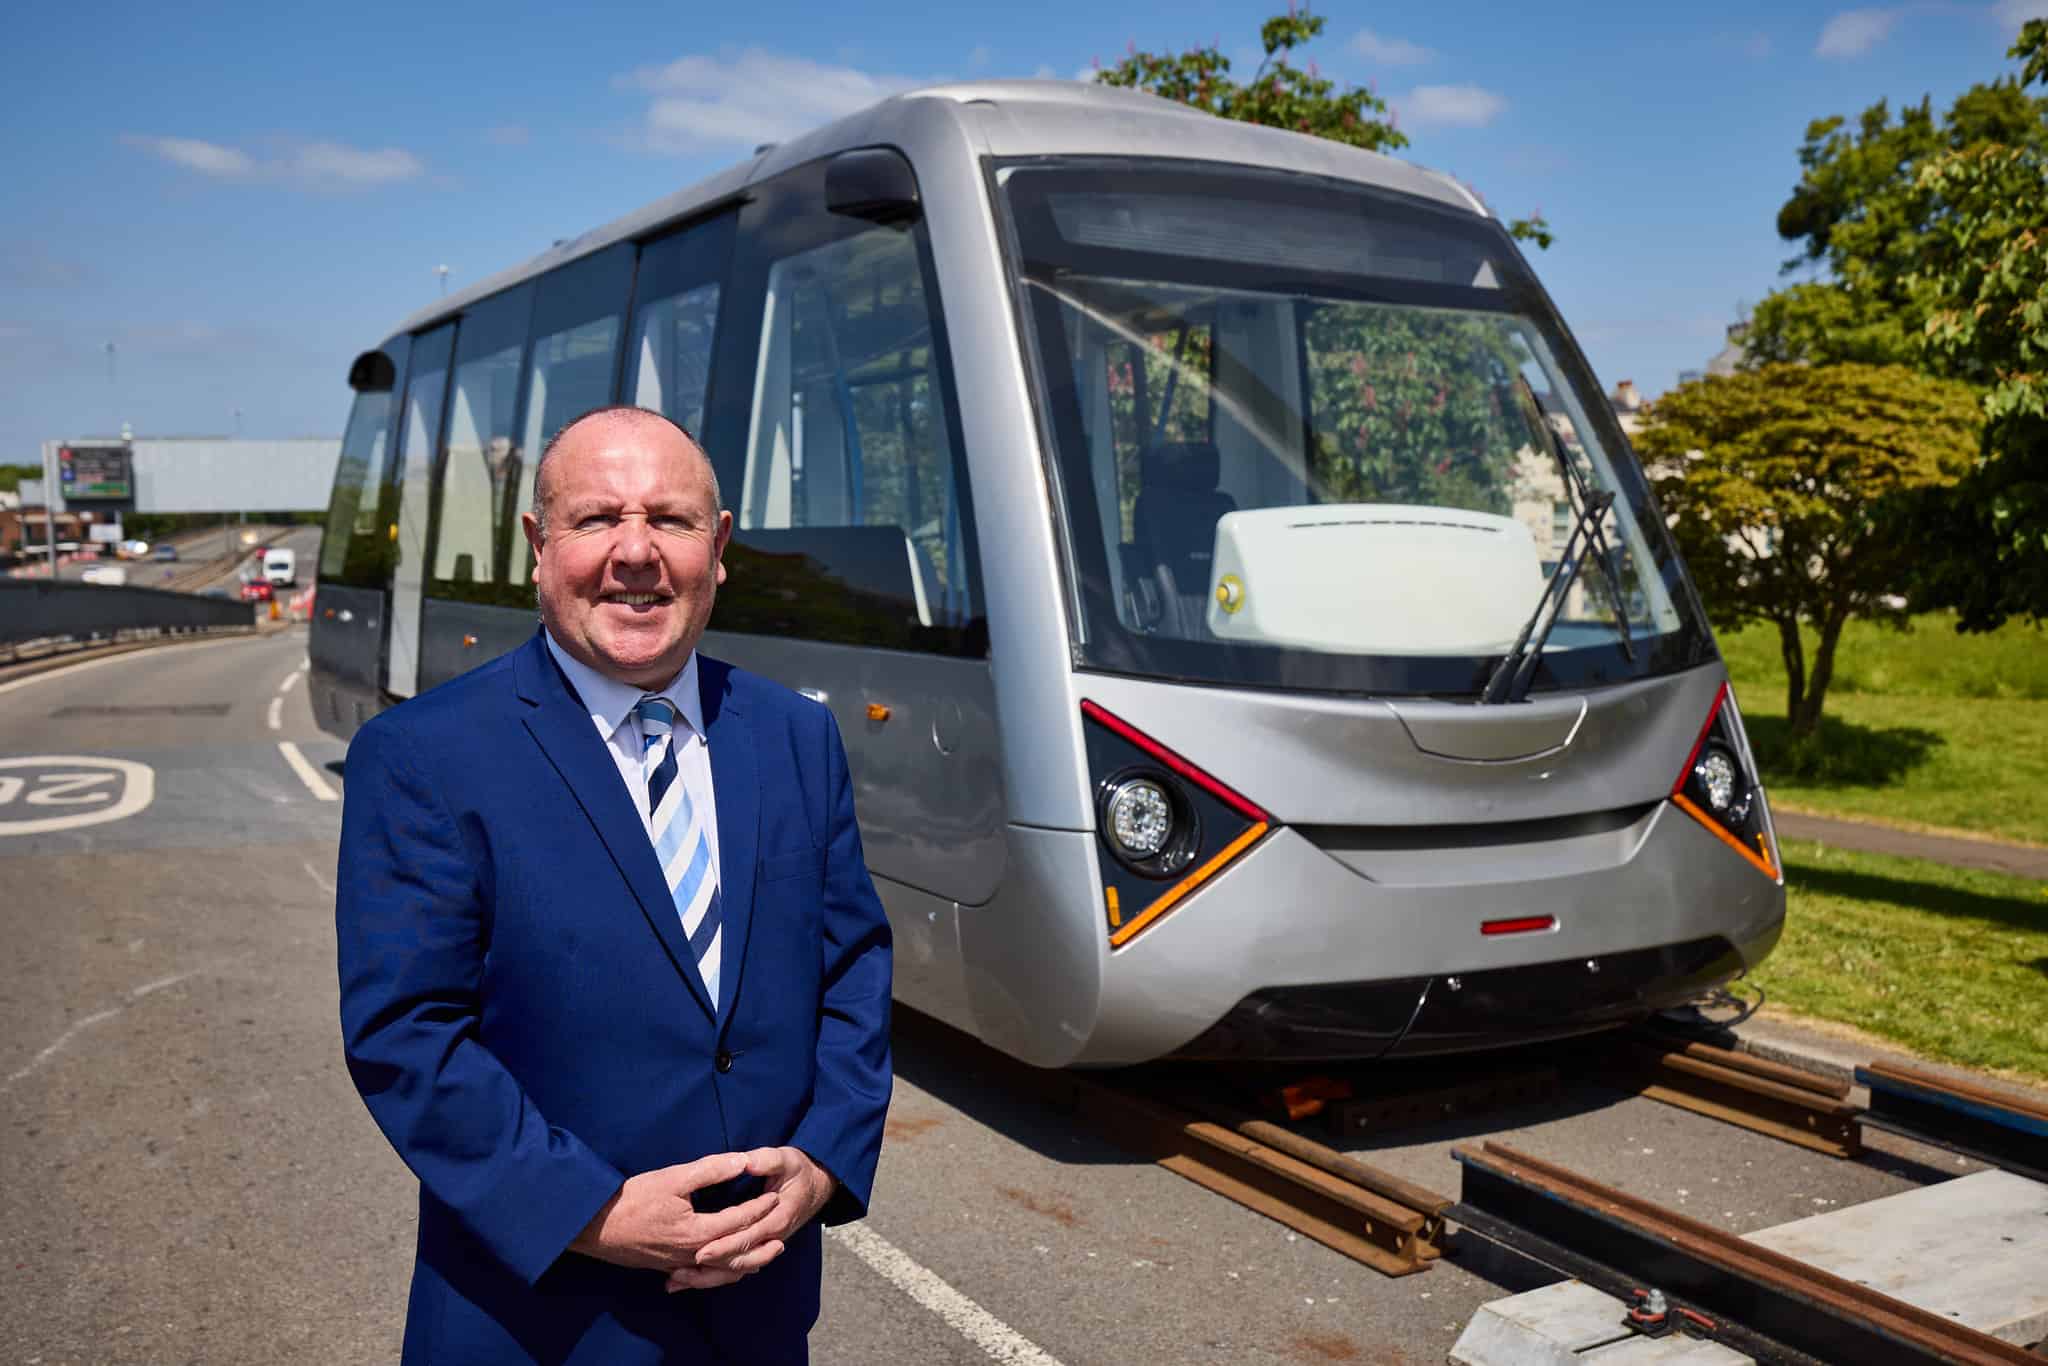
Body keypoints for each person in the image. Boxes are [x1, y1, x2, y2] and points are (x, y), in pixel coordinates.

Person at [336, 405, 893, 1364]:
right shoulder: (422, 756)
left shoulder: (795, 736)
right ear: (538, 547)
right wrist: (594, 1211)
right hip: (539, 1322)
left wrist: (822, 1164)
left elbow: (853, 972)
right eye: (597, 520)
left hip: (758, 1314)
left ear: (716, 550)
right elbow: (407, 1036)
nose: (635, 553)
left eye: (670, 521)